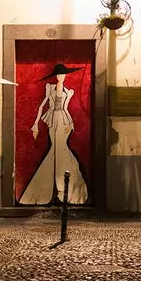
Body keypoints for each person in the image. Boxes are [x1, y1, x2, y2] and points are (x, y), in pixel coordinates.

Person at [21, 63, 89, 205]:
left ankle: (63, 189)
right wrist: (35, 124)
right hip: (53, 120)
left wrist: (70, 124)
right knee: (55, 150)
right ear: (55, 76)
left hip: (64, 121)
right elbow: (42, 106)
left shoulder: (69, 91)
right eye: (58, 75)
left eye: (63, 75)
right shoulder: (49, 88)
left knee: (62, 148)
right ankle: (56, 189)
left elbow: (66, 109)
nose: (61, 77)